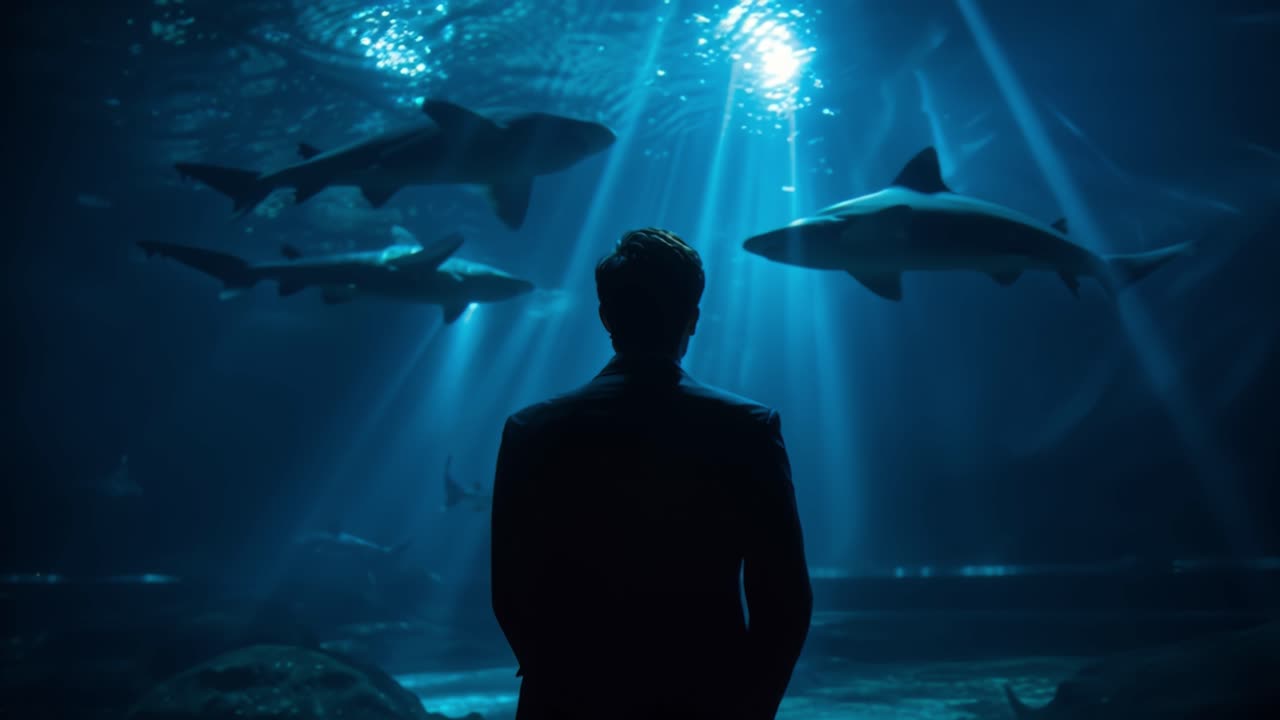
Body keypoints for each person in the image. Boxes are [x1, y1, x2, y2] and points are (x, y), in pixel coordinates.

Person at [490, 228, 812, 719]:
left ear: (606, 317)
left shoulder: (531, 430)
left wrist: (554, 672)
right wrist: (752, 706)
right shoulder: (746, 427)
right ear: (694, 318)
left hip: (568, 695)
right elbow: (784, 597)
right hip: (704, 696)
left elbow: (510, 589)